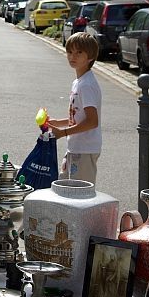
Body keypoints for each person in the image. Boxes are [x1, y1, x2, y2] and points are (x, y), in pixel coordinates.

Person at [47, 32, 102, 185]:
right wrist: (58, 123)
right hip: (75, 147)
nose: (73, 56)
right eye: (70, 52)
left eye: (79, 52)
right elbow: (79, 116)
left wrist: (63, 132)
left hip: (85, 149)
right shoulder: (78, 82)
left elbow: (92, 121)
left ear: (90, 57)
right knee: (64, 187)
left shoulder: (86, 85)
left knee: (80, 194)